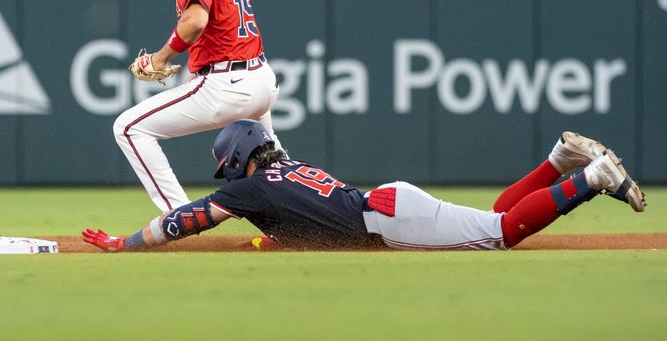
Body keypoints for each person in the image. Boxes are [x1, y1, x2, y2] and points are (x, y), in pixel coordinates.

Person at [85, 120, 646, 252]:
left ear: (235, 160)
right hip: (386, 206)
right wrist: (264, 241)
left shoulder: (247, 192)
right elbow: (301, 220)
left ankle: (592, 177)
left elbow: (185, 219)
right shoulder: (284, 170)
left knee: (501, 233)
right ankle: (558, 160)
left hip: (389, 218)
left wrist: (126, 243)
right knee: (494, 215)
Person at [113, 0, 282, 213]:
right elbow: (220, 29)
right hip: (261, 80)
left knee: (128, 127)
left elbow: (195, 22)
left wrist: (161, 58)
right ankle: (299, 219)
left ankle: (181, 216)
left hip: (228, 86)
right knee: (275, 165)